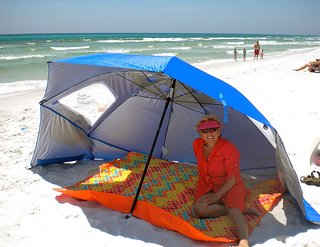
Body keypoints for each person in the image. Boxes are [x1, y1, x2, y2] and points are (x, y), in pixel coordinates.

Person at [193, 115, 259, 247]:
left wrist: (217, 197)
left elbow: (233, 179)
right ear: (200, 134)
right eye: (204, 131)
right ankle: (241, 208)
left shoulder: (229, 148)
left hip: (230, 185)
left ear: (219, 131)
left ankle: (244, 241)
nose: (209, 133)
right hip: (209, 185)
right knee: (199, 210)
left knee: (235, 211)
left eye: (213, 129)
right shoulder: (197, 145)